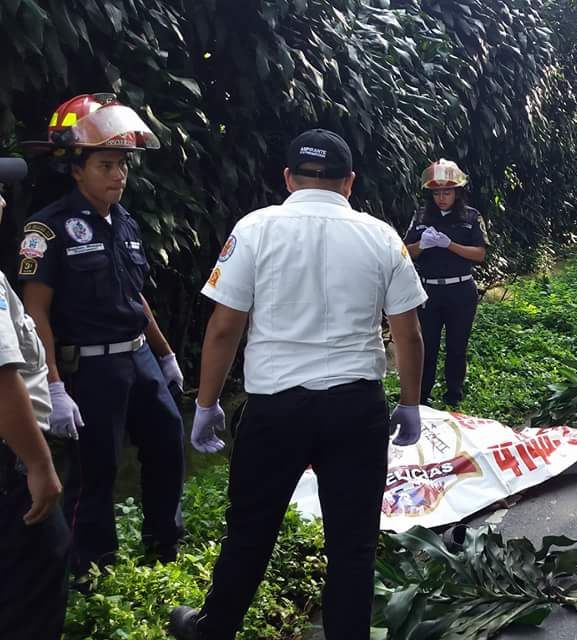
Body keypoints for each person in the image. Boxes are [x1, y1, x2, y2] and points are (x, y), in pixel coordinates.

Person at [169, 129, 428, 640]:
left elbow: (224, 328)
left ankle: (213, 630)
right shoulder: (382, 237)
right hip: (356, 410)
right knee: (352, 544)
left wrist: (206, 404)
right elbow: (409, 334)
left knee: (250, 530)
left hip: (276, 410)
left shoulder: (255, 229)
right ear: (349, 182)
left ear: (288, 178)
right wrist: (410, 403)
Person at [18, 94, 186, 573]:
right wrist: (53, 384)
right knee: (97, 467)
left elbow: (135, 296)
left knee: (167, 442)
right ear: (77, 170)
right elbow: (35, 312)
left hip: (138, 356)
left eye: (123, 165)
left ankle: (164, 546)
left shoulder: (125, 222)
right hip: (89, 367)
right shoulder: (47, 229)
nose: (119, 175)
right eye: (106, 165)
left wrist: (165, 354)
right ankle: (91, 567)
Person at [0, 156, 69, 640]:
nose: (4, 201)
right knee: (33, 584)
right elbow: (3, 378)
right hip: (9, 465)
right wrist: (39, 465)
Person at [403, 159, 486, 407]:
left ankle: (454, 395)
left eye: (447, 192)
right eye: (437, 193)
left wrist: (450, 245)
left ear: (457, 192)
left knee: (457, 345)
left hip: (460, 289)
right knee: (427, 345)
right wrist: (421, 245)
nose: (442, 198)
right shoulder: (420, 216)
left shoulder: (471, 217)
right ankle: (422, 396)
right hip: (429, 289)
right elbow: (404, 252)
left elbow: (480, 254)